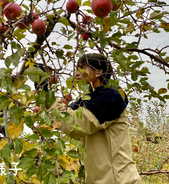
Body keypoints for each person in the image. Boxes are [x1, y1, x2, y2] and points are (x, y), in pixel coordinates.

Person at [49, 53, 142, 184]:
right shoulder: (86, 101)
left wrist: (47, 97)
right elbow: (64, 116)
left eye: (83, 67)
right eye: (77, 68)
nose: (76, 73)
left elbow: (72, 123)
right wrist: (44, 91)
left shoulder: (111, 97)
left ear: (98, 72)